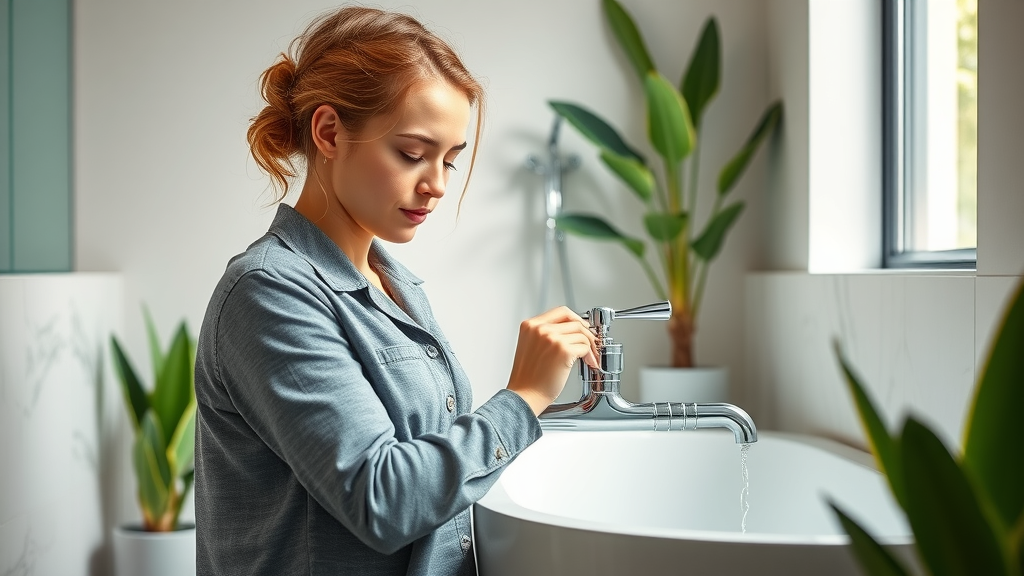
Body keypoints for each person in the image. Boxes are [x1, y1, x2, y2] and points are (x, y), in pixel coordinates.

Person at [193, 6, 599, 575]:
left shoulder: (395, 285)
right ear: (329, 132)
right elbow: (382, 500)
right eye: (412, 154)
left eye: (449, 161)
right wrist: (524, 396)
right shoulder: (268, 293)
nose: (436, 184)